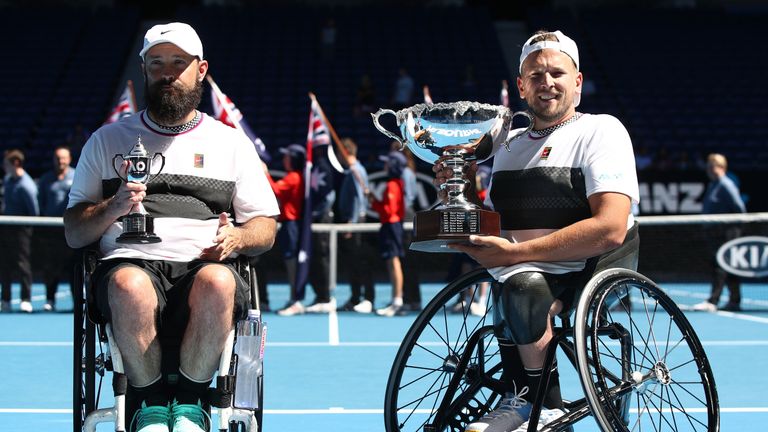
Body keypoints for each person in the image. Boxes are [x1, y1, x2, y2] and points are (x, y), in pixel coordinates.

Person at [63, 22, 279, 432]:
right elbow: (75, 232)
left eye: (179, 63)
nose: (168, 73)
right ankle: (149, 405)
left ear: (200, 70)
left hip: (204, 265)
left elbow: (265, 227)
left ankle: (193, 403)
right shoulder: (106, 140)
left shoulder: (231, 144)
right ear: (144, 70)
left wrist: (237, 237)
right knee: (129, 284)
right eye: (157, 63)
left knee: (219, 282)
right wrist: (114, 206)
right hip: (130, 262)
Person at [434, 30, 640, 432]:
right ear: (521, 86)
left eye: (557, 73)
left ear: (577, 82)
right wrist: (456, 190)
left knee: (520, 287)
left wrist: (512, 255)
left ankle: (544, 406)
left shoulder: (602, 130)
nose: (547, 82)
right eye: (536, 74)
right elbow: (497, 223)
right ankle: (521, 396)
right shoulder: (505, 145)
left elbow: (611, 228)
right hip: (524, 268)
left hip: (590, 266)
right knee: (513, 287)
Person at [692, 153, 746, 312]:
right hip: (715, 233)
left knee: (721, 266)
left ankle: (713, 301)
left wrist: (730, 228)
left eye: (711, 167)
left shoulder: (726, 185)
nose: (708, 170)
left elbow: (740, 209)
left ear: (720, 167)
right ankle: (734, 300)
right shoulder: (713, 184)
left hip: (726, 233)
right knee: (727, 266)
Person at [264, 144, 306, 316]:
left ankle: (296, 300)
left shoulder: (294, 177)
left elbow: (275, 190)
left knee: (292, 263)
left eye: (287, 156)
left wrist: (265, 172)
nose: (284, 159)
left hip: (292, 224)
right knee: (290, 262)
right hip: (290, 224)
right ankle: (293, 298)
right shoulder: (294, 176)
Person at [335, 138, 376, 313]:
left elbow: (359, 199)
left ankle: (367, 298)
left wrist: (351, 222)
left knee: (359, 261)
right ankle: (355, 297)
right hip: (354, 220)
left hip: (355, 222)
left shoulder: (355, 171)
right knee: (353, 262)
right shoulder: (353, 170)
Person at [36, 145, 76, 311]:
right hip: (51, 233)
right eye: (58, 158)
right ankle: (50, 300)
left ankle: (77, 302)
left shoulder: (77, 176)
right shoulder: (46, 179)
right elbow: (41, 203)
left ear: (69, 159)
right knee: (51, 267)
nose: (61, 161)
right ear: (54, 160)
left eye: (64, 158)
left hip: (72, 230)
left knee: (74, 268)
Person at [1, 149, 39, 313]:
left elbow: (34, 211)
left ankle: (25, 298)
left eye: (6, 164)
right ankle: (6, 299)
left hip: (21, 230)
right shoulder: (8, 181)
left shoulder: (26, 185)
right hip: (7, 229)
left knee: (22, 264)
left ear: (15, 163)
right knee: (5, 265)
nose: (4, 167)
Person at [370, 151, 407, 317]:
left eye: (387, 163)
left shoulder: (393, 185)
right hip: (393, 225)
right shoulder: (397, 183)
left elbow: (388, 210)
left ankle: (397, 300)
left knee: (394, 262)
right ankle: (395, 299)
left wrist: (375, 202)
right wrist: (375, 201)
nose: (384, 165)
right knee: (392, 263)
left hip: (391, 225)